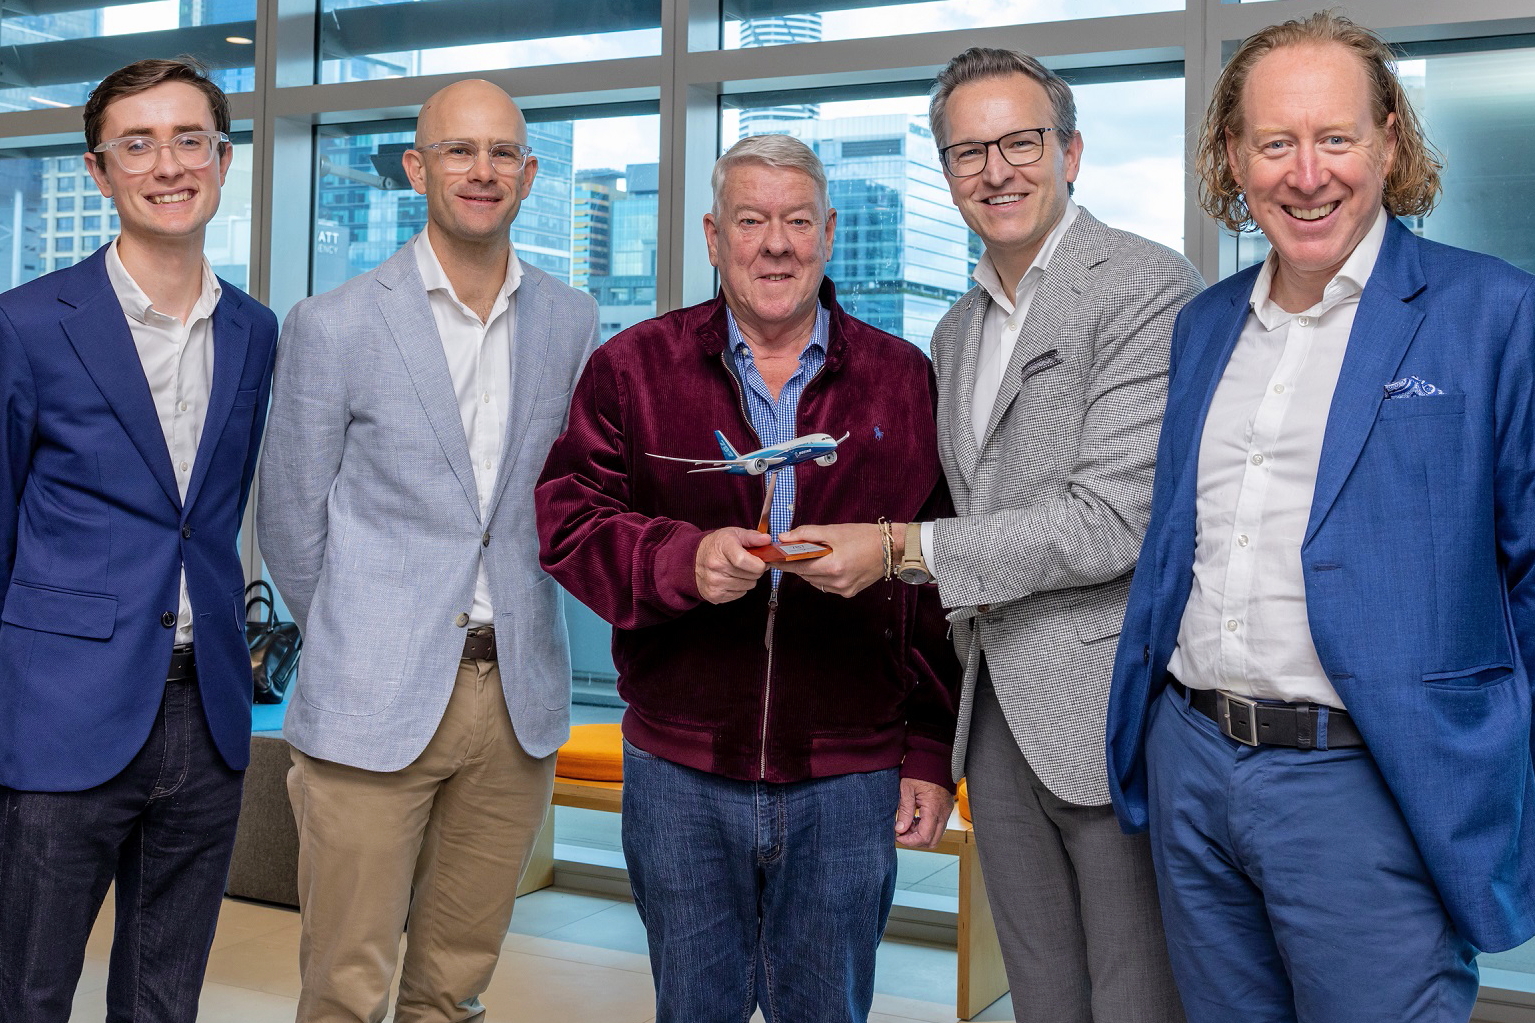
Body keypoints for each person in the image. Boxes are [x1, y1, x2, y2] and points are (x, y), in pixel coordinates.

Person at [1105, 12, 1535, 1023]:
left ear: (1388, 141)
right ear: (1231, 157)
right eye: (1274, 142)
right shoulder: (1203, 326)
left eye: (1334, 138)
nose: (1306, 174)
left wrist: (1482, 756)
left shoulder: (1492, 314)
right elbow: (1180, 542)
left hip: (1371, 780)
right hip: (1194, 762)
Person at [780, 48, 1201, 1022]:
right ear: (944, 170)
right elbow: (965, 504)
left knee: (1138, 1002)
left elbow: (1112, 522)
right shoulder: (955, 331)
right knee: (1044, 1000)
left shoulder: (1145, 286)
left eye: (1019, 141)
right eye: (967, 150)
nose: (995, 169)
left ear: (1070, 152)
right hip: (995, 727)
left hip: (1111, 720)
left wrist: (895, 547)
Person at [535, 133, 959, 1023]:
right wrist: (679, 560)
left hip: (849, 777)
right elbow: (569, 521)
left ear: (830, 233)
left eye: (797, 220)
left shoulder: (902, 380)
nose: (776, 243)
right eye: (751, 220)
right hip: (678, 772)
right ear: (712, 236)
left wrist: (926, 751)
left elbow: (935, 585)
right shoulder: (630, 368)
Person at [257, 79, 599, 1023]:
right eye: (458, 150)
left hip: (515, 698)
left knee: (454, 982)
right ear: (418, 168)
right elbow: (289, 514)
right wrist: (364, 627)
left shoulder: (571, 321)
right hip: (371, 698)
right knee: (344, 986)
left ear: (529, 175)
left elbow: (571, 497)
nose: (480, 171)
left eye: (501, 153)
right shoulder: (336, 322)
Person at [0, 58, 278, 1023]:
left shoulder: (253, 330)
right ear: (98, 170)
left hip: (206, 715)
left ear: (223, 158)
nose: (168, 163)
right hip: (58, 716)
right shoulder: (27, 323)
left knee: (165, 997)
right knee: (26, 991)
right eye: (138, 143)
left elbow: (214, 510)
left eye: (188, 138)